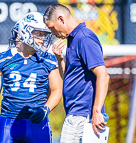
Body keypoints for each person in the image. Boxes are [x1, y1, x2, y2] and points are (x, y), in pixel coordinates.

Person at [0, 12, 63, 143]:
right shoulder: (4, 59)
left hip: (37, 122)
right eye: (39, 33)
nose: (43, 38)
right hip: (8, 121)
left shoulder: (48, 60)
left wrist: (45, 109)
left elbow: (57, 91)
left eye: (45, 34)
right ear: (25, 32)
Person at [43, 4, 110, 143]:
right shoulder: (73, 39)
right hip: (78, 114)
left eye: (52, 28)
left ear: (61, 19)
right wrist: (60, 58)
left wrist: (96, 111)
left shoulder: (84, 38)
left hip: (84, 115)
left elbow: (103, 75)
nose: (53, 33)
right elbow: (67, 77)